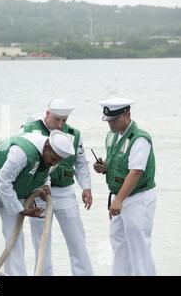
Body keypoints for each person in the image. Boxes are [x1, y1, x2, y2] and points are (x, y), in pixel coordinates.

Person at [0, 129, 74, 276]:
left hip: (11, 185)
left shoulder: (54, 159)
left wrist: (44, 188)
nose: (54, 163)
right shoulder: (21, 153)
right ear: (47, 147)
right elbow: (3, 182)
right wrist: (21, 209)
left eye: (58, 161)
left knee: (15, 236)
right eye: (54, 158)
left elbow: (44, 176)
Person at [22, 99, 94, 276]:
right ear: (47, 114)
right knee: (41, 243)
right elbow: (20, 164)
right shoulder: (29, 130)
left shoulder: (74, 134)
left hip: (65, 193)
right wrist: (25, 196)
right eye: (57, 119)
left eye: (64, 120)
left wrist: (86, 187)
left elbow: (81, 163)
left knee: (77, 240)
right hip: (38, 194)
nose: (61, 124)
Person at [93, 97, 156, 276]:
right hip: (118, 197)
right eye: (109, 120)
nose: (111, 124)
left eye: (114, 119)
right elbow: (118, 162)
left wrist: (119, 199)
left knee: (139, 246)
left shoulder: (139, 139)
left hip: (137, 197)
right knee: (118, 243)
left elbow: (135, 172)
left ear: (127, 114)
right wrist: (104, 167)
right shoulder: (112, 135)